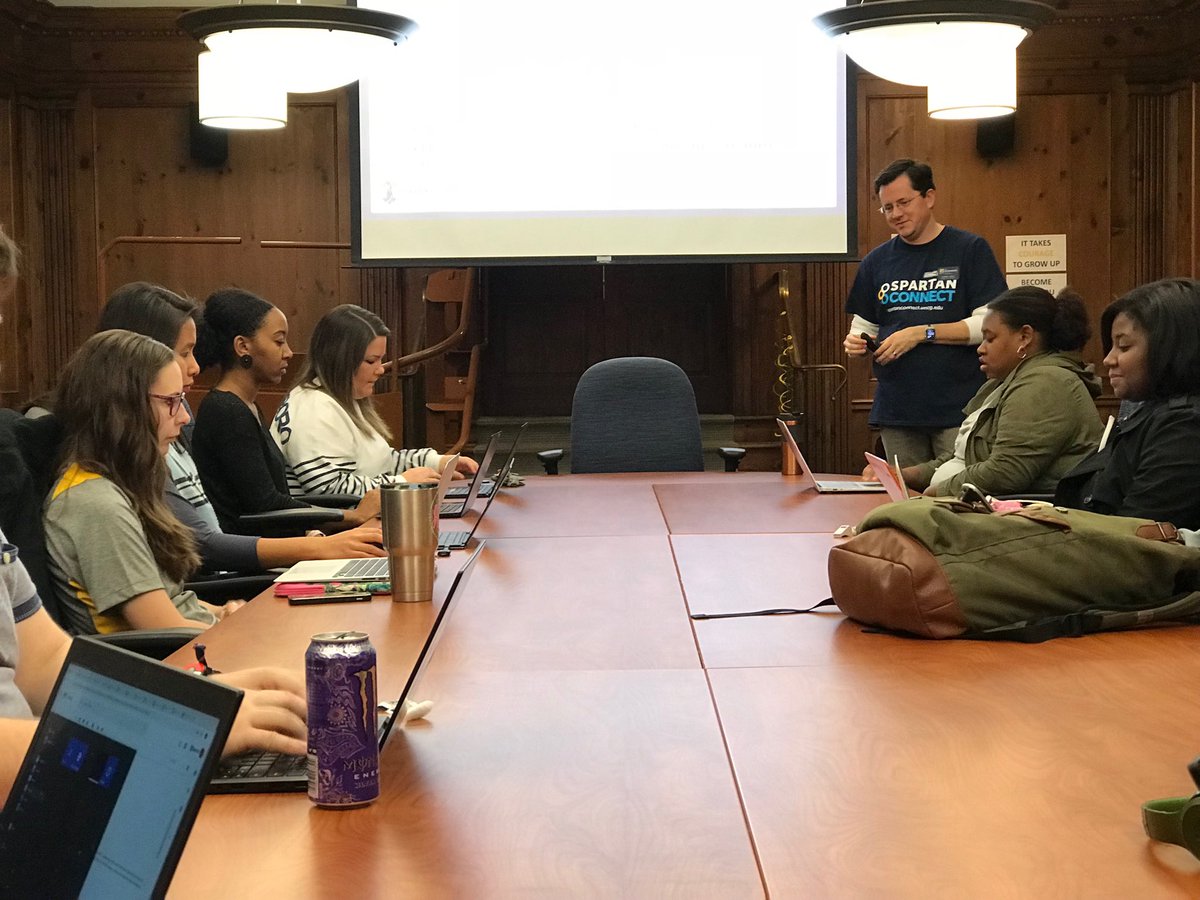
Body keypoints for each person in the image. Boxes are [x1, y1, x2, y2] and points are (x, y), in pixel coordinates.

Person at [98, 283, 386, 572]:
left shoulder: (204, 416)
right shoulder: (218, 415)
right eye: (184, 353)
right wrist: (331, 534)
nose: (195, 367)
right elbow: (230, 528)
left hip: (245, 562)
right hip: (235, 573)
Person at [44, 330, 236, 634]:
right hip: (168, 666)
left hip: (193, 646)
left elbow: (174, 602)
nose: (185, 417)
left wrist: (225, 612)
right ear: (123, 410)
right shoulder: (96, 505)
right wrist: (242, 631)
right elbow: (163, 629)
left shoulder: (125, 484)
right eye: (171, 401)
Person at [842, 158, 1008, 467]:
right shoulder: (876, 262)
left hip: (958, 408)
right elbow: (863, 326)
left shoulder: (969, 249)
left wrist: (921, 333)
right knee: (905, 502)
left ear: (929, 197)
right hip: (897, 411)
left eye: (903, 203)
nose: (896, 214)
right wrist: (856, 343)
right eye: (888, 208)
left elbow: (989, 325)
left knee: (957, 497)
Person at [191, 289, 381, 533]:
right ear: (242, 346)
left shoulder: (246, 406)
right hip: (257, 556)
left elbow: (274, 500)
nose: (289, 352)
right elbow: (266, 505)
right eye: (279, 341)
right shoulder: (226, 412)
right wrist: (352, 517)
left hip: (278, 540)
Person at [896, 286, 1102, 497]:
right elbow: (963, 456)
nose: (981, 348)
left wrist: (933, 494)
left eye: (990, 338)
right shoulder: (1003, 382)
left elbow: (1007, 471)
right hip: (970, 506)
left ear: (1025, 337)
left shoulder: (1046, 383)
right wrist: (905, 475)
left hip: (1017, 515)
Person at [271, 304, 477, 496]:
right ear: (340, 361)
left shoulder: (342, 399)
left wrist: (437, 462)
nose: (380, 370)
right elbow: (328, 489)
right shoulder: (313, 409)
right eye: (371, 361)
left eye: (381, 359)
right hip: (332, 531)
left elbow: (383, 463)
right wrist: (400, 482)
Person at [1055, 278, 1200, 528]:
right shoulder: (1151, 412)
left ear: (1171, 347)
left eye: (1123, 346)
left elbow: (1134, 538)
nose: (1109, 359)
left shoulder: (1185, 427)